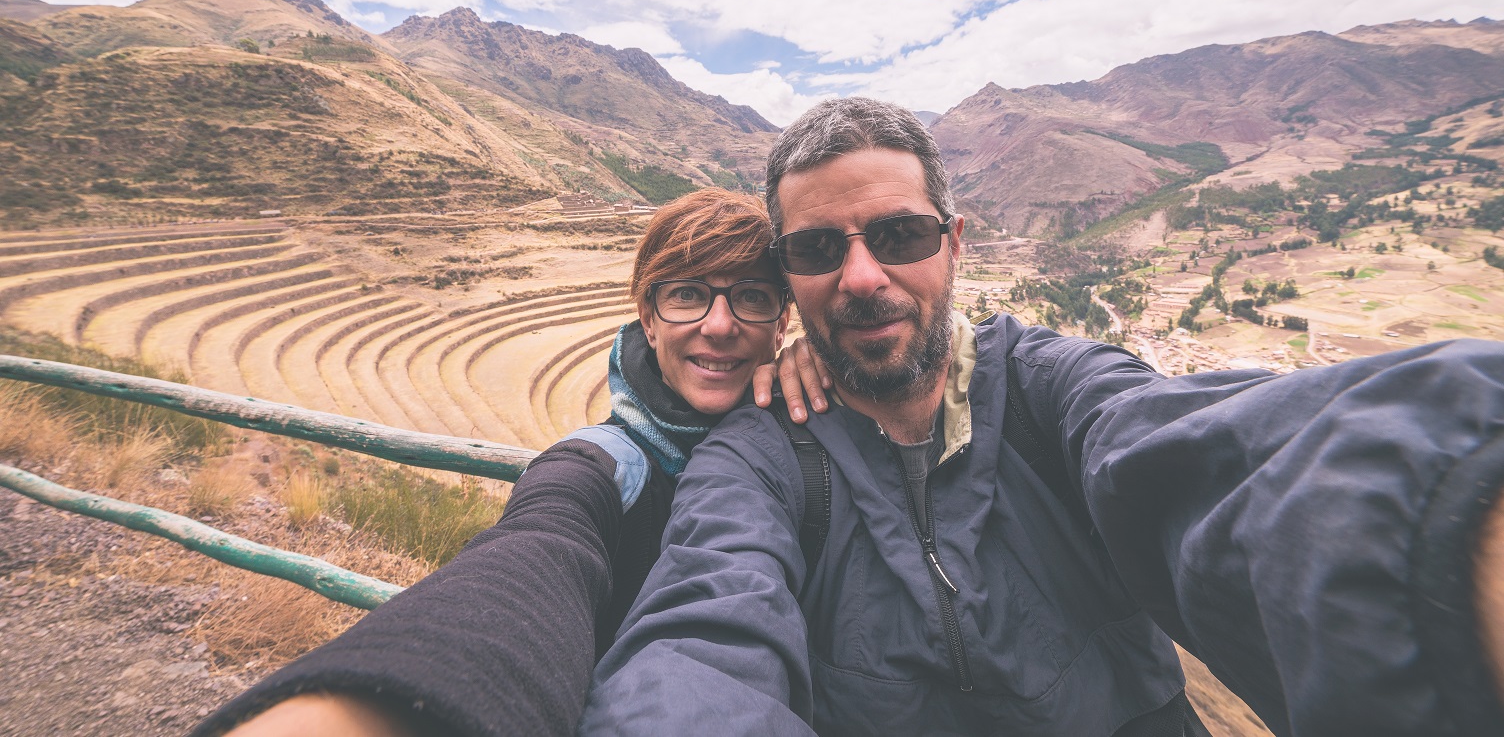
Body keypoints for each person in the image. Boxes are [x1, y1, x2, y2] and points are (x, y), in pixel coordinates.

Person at [580, 97, 1504, 735]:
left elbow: (1218, 458)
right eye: (820, 248)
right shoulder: (758, 458)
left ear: (954, 244)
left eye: (899, 235)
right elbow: (704, 626)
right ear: (792, 278)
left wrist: (1447, 501)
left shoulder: (1050, 390)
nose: (861, 276)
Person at [198, 187, 796, 737]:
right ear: (648, 317)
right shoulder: (607, 465)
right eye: (687, 294)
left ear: (782, 324)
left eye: (751, 296)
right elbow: (540, 546)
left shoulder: (824, 434)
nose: (720, 325)